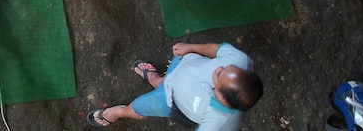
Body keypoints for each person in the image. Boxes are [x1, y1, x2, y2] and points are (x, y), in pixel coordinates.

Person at [87, 42, 263, 129]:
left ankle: (120, 112)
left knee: (140, 106)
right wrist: (191, 47)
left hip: (171, 101)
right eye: (224, 68)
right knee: (168, 78)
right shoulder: (240, 61)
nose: (218, 67)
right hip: (183, 64)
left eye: (219, 75)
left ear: (223, 98)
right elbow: (218, 49)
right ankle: (158, 81)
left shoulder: (217, 123)